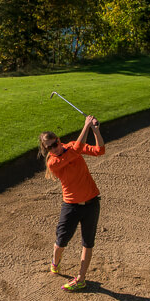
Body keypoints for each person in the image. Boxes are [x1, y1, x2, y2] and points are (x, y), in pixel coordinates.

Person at [38, 115, 105, 291]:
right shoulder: (53, 162)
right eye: (49, 147)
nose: (54, 148)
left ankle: (81, 279)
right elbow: (76, 150)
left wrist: (95, 130)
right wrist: (86, 126)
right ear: (46, 150)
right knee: (61, 241)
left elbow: (100, 150)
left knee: (87, 242)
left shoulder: (69, 147)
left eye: (55, 144)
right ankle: (55, 262)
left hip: (91, 203)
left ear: (59, 140)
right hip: (71, 206)